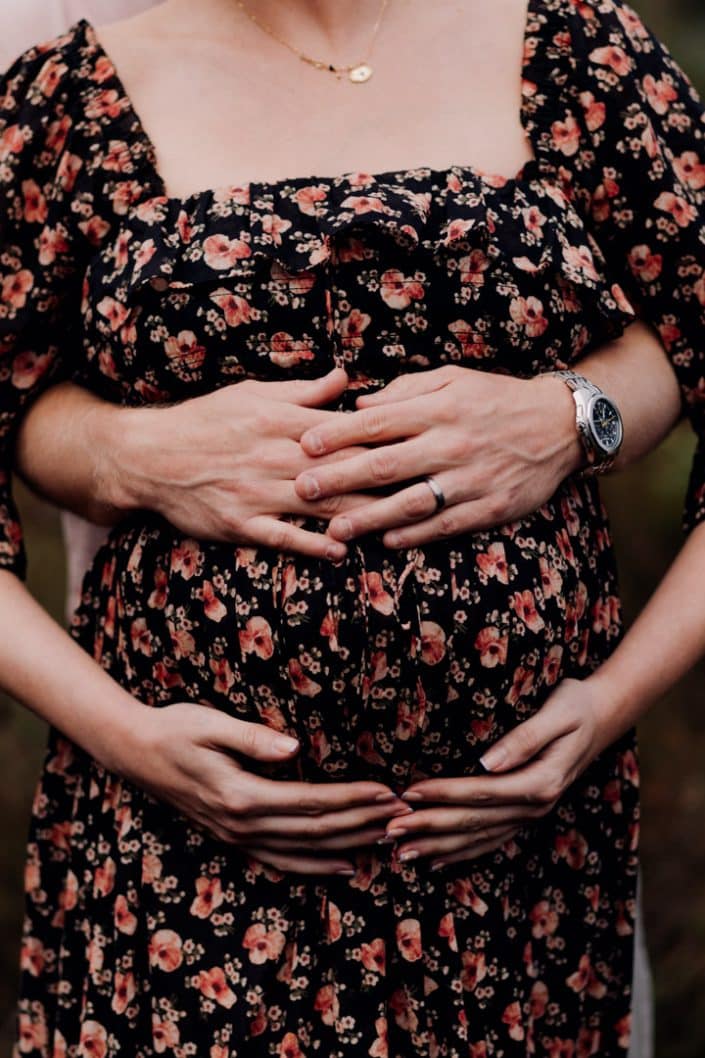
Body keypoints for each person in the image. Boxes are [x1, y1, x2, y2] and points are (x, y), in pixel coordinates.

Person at [0, 0, 703, 1054]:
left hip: (513, 885)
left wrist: (608, 702)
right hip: (183, 872)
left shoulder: (573, 53)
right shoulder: (73, 99)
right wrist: (130, 739)